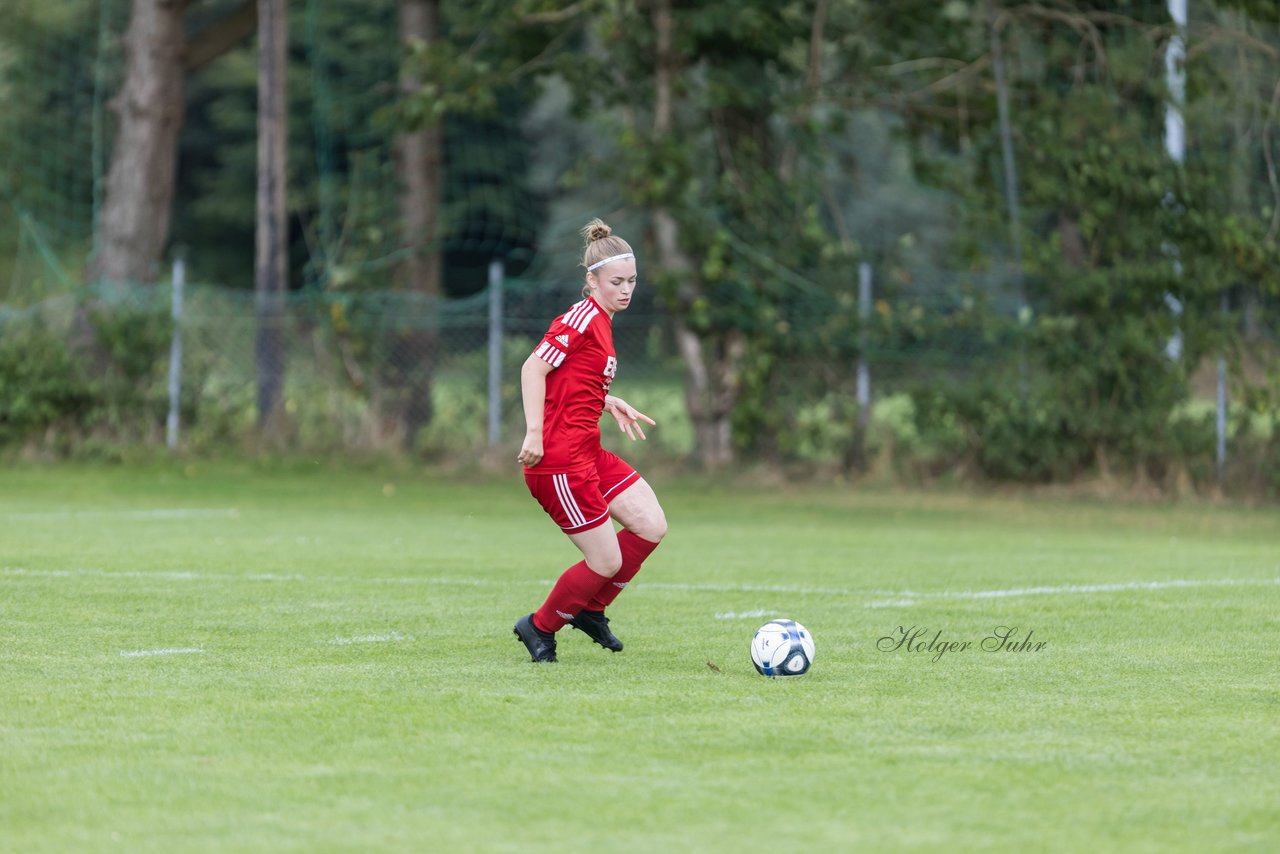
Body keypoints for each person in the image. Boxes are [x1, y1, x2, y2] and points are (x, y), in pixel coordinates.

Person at [512, 218, 668, 663]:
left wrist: (606, 399)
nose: (626, 290)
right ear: (592, 280)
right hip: (558, 462)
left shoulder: (602, 320)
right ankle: (539, 626)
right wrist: (535, 434)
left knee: (651, 525)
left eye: (632, 281)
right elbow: (533, 368)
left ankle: (591, 609)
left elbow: (572, 380)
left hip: (588, 453)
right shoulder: (581, 318)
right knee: (606, 562)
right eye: (616, 281)